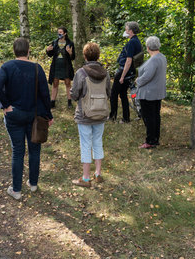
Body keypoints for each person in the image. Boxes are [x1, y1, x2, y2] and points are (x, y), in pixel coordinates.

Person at [0, 37, 54, 200]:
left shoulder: (7, 67)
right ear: (28, 50)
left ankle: (17, 190)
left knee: (18, 151)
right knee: (35, 150)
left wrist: (6, 105)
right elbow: (45, 94)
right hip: (34, 115)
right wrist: (48, 114)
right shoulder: (37, 68)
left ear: (14, 51)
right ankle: (33, 184)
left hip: (15, 114)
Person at [70, 43, 111, 188]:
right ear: (98, 56)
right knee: (98, 141)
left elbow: (75, 94)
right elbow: (109, 92)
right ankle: (98, 173)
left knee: (86, 144)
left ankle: (86, 178)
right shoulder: (105, 73)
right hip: (101, 113)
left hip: (85, 114)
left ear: (85, 56)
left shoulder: (81, 73)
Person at [137, 36, 167, 149]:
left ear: (148, 47)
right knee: (155, 116)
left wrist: (138, 80)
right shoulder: (162, 57)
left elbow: (147, 76)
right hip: (157, 92)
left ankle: (150, 140)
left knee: (149, 117)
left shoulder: (154, 59)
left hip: (149, 93)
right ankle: (155, 139)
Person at [109, 21, 143, 123]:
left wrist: (122, 76)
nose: (125, 30)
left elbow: (129, 61)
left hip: (125, 71)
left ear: (131, 31)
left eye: (126, 29)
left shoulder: (131, 42)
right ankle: (125, 118)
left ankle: (113, 116)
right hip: (130, 71)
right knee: (123, 94)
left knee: (113, 94)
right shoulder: (136, 41)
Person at [46, 27, 75, 108]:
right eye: (58, 32)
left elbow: (73, 57)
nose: (59, 34)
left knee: (68, 83)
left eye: (61, 32)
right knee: (55, 84)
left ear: (65, 33)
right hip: (56, 66)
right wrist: (48, 50)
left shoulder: (70, 43)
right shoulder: (54, 42)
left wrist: (70, 53)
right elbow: (50, 54)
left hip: (66, 66)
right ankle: (52, 102)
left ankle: (69, 102)